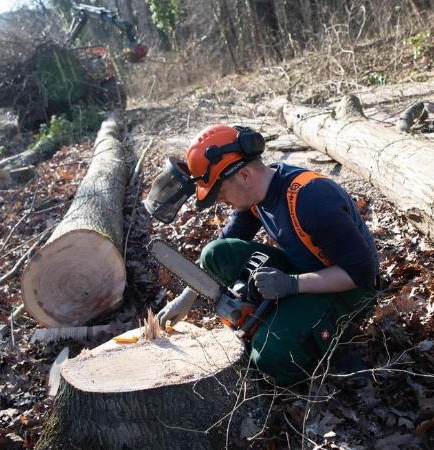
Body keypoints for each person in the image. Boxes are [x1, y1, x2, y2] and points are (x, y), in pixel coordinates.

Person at [144, 124, 380, 386]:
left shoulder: (312, 199)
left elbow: (362, 273)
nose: (220, 200)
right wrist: (187, 296)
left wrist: (292, 284)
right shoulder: (256, 195)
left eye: (220, 192)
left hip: (349, 286)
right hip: (303, 269)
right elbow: (225, 243)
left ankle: (331, 350)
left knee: (270, 356)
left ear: (244, 175)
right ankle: (290, 318)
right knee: (215, 253)